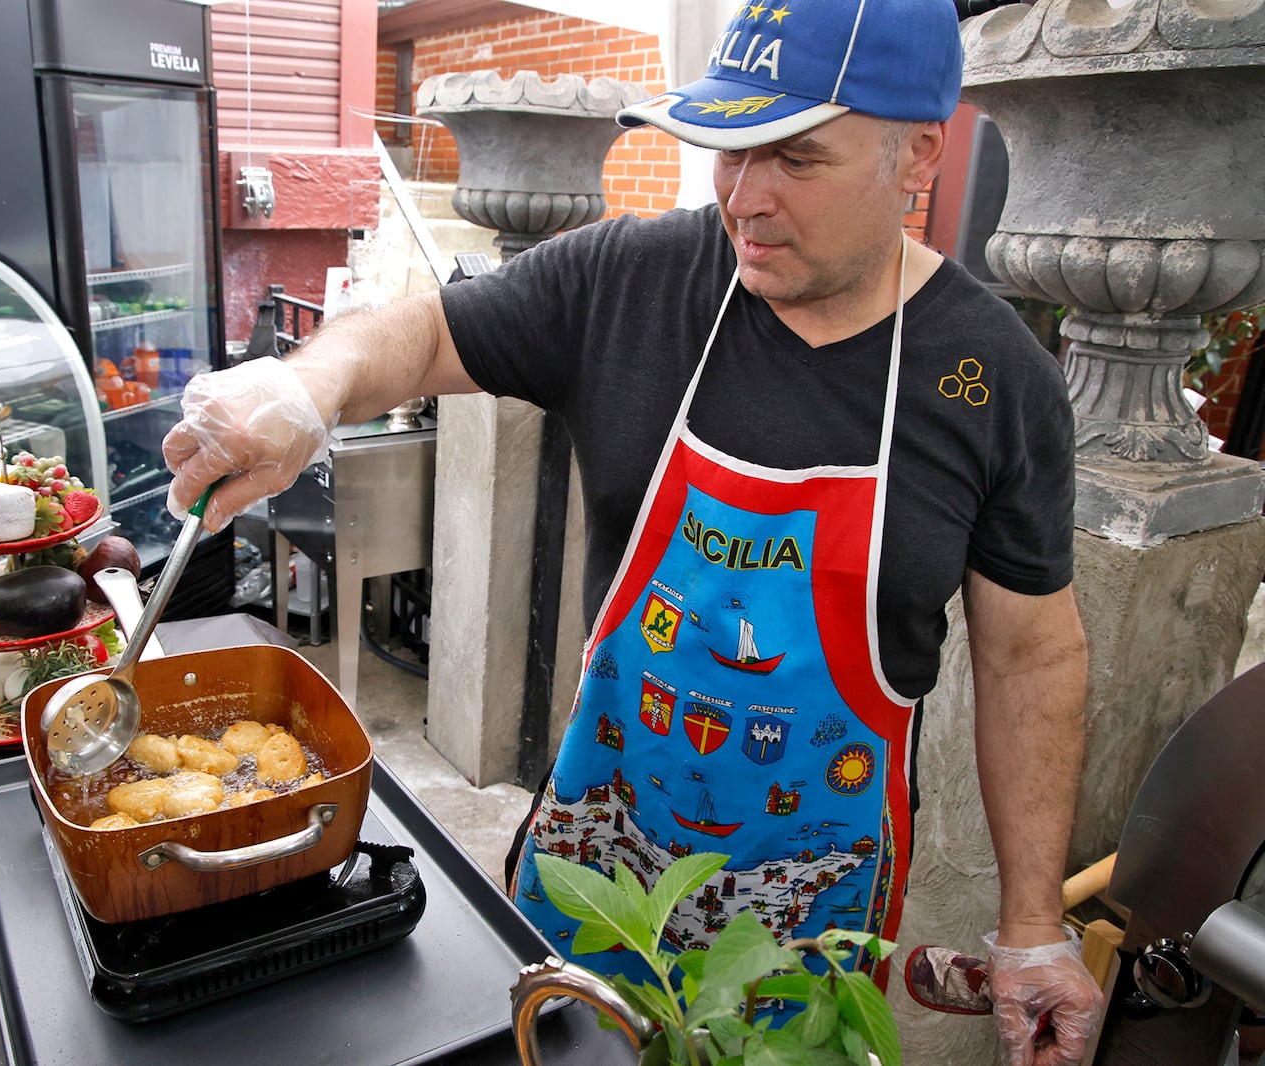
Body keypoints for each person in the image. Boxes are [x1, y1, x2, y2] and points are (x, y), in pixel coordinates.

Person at [162, 0, 1104, 1060]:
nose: (745, 197)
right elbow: (425, 329)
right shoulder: (633, 280)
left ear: (918, 151)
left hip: (811, 907)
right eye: (728, 147)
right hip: (596, 867)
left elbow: (1031, 655)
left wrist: (1031, 929)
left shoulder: (994, 382)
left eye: (794, 157)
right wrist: (306, 388)